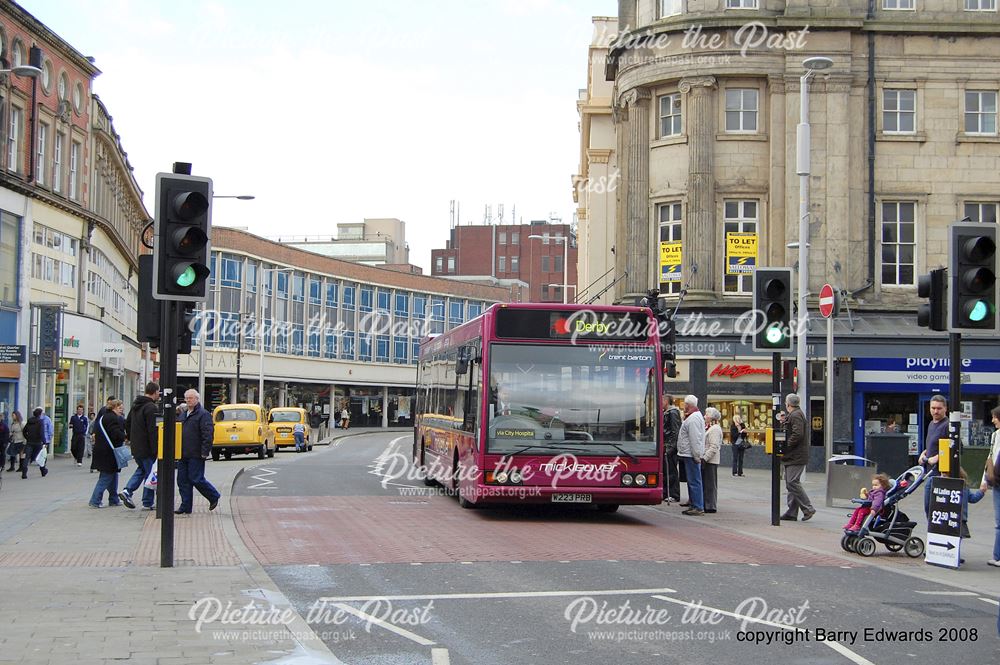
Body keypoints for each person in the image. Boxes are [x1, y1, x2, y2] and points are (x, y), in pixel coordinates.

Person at [175, 389, 221, 515]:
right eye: (187, 398)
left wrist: (205, 451)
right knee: (182, 480)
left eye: (191, 398)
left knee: (196, 479)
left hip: (196, 453)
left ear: (197, 399)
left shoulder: (203, 414)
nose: (189, 400)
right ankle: (185, 506)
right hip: (183, 453)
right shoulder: (183, 415)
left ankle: (213, 496)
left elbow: (208, 434)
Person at [119, 382, 160, 510]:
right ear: (154, 392)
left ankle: (127, 491)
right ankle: (147, 502)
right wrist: (155, 449)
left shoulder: (136, 406)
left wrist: (132, 439)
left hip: (137, 446)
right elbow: (152, 430)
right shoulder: (151, 408)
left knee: (142, 470)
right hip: (147, 447)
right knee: (150, 474)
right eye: (158, 392)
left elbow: (127, 423)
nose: (159, 394)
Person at [780, 393, 815, 521]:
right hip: (794, 455)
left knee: (792, 482)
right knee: (791, 483)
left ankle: (808, 508)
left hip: (796, 455)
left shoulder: (796, 415)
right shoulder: (795, 415)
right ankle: (792, 512)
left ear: (788, 403)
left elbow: (797, 434)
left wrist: (786, 446)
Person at [89, 399, 126, 507]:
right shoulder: (112, 419)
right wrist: (125, 437)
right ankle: (95, 500)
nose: (121, 409)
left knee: (112, 474)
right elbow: (115, 433)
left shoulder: (104, 417)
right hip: (108, 452)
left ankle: (113, 499)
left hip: (104, 450)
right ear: (114, 408)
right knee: (106, 476)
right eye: (119, 408)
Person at [919, 395, 950, 518]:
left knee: (933, 509)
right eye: (933, 408)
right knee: (929, 508)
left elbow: (957, 447)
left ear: (945, 409)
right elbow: (934, 444)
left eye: (939, 408)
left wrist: (938, 457)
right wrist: (924, 453)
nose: (936, 411)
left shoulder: (948, 425)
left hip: (941, 474)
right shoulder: (931, 423)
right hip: (930, 473)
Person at [677, 395, 705, 516]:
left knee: (694, 480)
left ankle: (697, 506)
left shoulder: (693, 419)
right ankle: (695, 504)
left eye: (685, 404)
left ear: (688, 405)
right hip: (689, 453)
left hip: (690, 454)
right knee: (693, 480)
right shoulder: (693, 417)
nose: (684, 406)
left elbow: (695, 439)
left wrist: (696, 455)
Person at [985, 405, 1000, 568]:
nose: (992, 420)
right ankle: (997, 556)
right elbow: (990, 457)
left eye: (995, 417)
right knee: (998, 522)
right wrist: (985, 480)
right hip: (997, 482)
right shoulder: (995, 436)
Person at [662, 394, 682, 503]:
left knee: (671, 471)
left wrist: (671, 447)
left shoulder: (673, 413)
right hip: (666, 445)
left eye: (662, 400)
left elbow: (675, 431)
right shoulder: (666, 412)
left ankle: (674, 494)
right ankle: (666, 493)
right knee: (666, 471)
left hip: (670, 447)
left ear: (666, 401)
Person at [702, 407, 722, 514]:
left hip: (711, 461)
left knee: (710, 484)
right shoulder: (709, 428)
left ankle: (710, 505)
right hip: (708, 460)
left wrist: (705, 458)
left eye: (707, 414)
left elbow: (713, 447)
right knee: (707, 483)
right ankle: (707, 503)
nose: (705, 416)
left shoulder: (715, 429)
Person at [21, 408, 48, 479]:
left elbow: (24, 431)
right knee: (41, 457)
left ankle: (24, 473)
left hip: (29, 442)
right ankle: (43, 471)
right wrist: (44, 442)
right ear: (40, 414)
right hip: (38, 442)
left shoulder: (29, 421)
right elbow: (41, 433)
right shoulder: (40, 422)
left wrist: (27, 438)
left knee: (26, 457)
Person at [730, 413, 748, 477]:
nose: (738, 420)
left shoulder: (742, 425)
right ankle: (734, 472)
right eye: (737, 418)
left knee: (741, 459)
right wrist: (740, 432)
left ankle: (740, 472)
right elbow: (733, 435)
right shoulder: (733, 426)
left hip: (741, 443)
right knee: (735, 458)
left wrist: (744, 432)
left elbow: (744, 436)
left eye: (739, 418)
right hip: (735, 444)